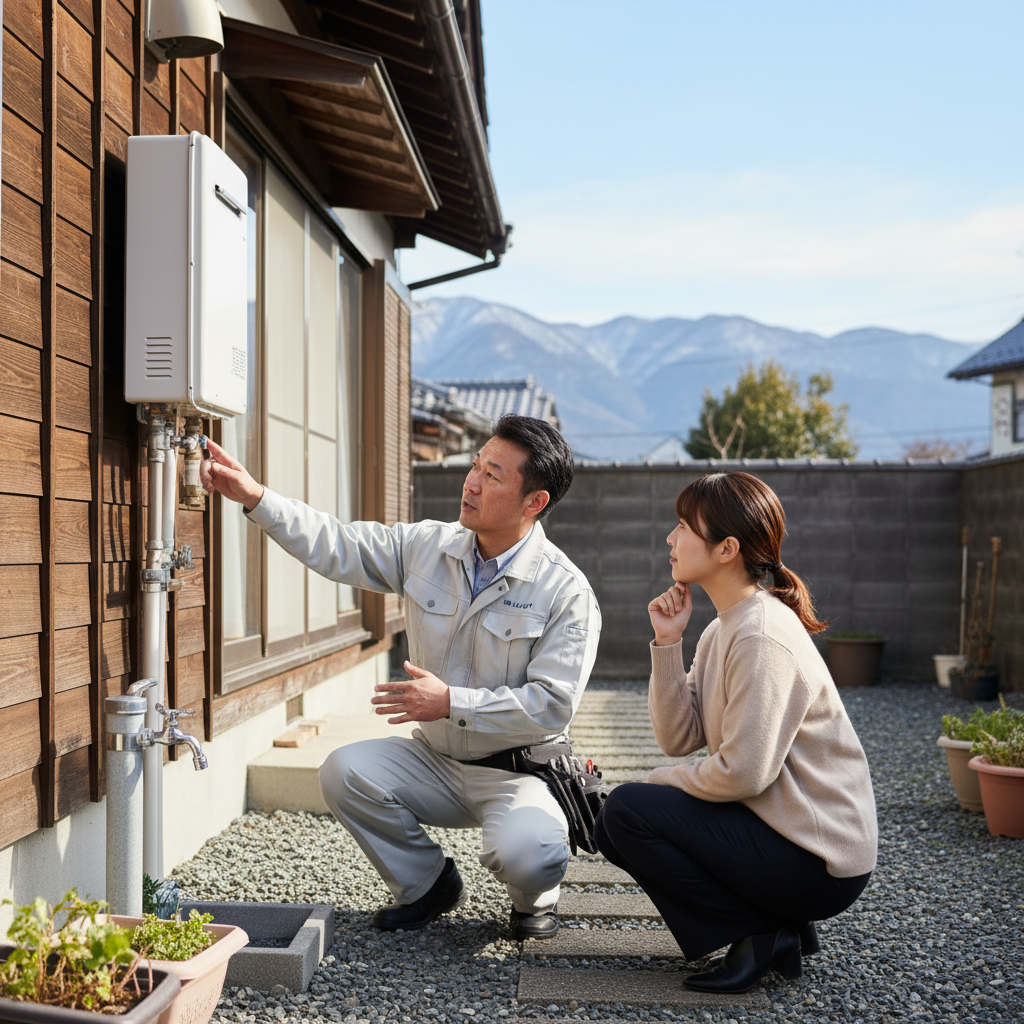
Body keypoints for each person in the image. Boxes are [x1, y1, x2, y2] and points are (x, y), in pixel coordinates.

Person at [200, 414, 600, 939]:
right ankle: (427, 885)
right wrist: (256, 498)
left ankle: (534, 900)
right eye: (475, 465)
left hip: (518, 771)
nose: (472, 482)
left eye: (494, 475)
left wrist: (451, 701)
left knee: (527, 853)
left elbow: (552, 705)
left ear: (535, 502)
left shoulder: (566, 591)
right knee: (344, 771)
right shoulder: (427, 546)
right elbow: (337, 543)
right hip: (436, 760)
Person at [594, 471, 876, 994]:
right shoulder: (723, 628)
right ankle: (776, 925)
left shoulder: (761, 635)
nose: (670, 538)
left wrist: (662, 780)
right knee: (612, 824)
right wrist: (667, 643)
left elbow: (744, 773)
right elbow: (679, 737)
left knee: (628, 809)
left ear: (727, 548)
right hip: (781, 833)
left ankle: (761, 931)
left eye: (683, 526)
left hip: (820, 857)